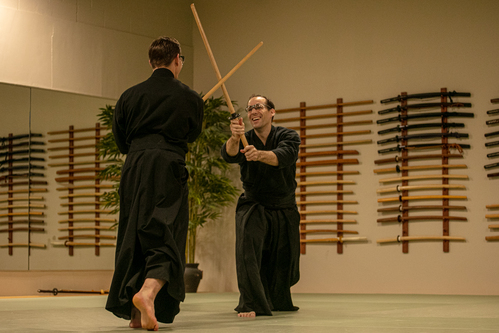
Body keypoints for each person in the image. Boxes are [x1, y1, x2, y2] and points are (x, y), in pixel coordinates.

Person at [105, 36, 204, 331]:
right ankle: (147, 294)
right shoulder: (189, 97)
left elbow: (121, 141)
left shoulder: (129, 96)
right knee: (165, 232)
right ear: (177, 60)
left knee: (134, 232)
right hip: (168, 165)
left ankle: (135, 315)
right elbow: (193, 134)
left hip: (134, 166)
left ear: (150, 62)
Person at [221, 94, 301, 317]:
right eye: (249, 109)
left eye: (258, 107)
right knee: (248, 252)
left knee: (285, 258)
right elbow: (228, 155)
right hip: (254, 204)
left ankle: (276, 298)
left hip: (284, 206)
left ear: (272, 112)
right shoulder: (245, 138)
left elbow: (284, 157)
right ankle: (252, 303)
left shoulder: (288, 136)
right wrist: (235, 139)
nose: (253, 112)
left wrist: (260, 155)